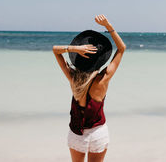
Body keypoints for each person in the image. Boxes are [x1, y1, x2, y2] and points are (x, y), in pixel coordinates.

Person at [53, 14, 126, 162]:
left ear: (78, 59)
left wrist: (74, 48)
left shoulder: (73, 78)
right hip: (98, 133)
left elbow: (55, 50)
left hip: (76, 135)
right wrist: (108, 26)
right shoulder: (103, 79)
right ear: (99, 60)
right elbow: (121, 48)